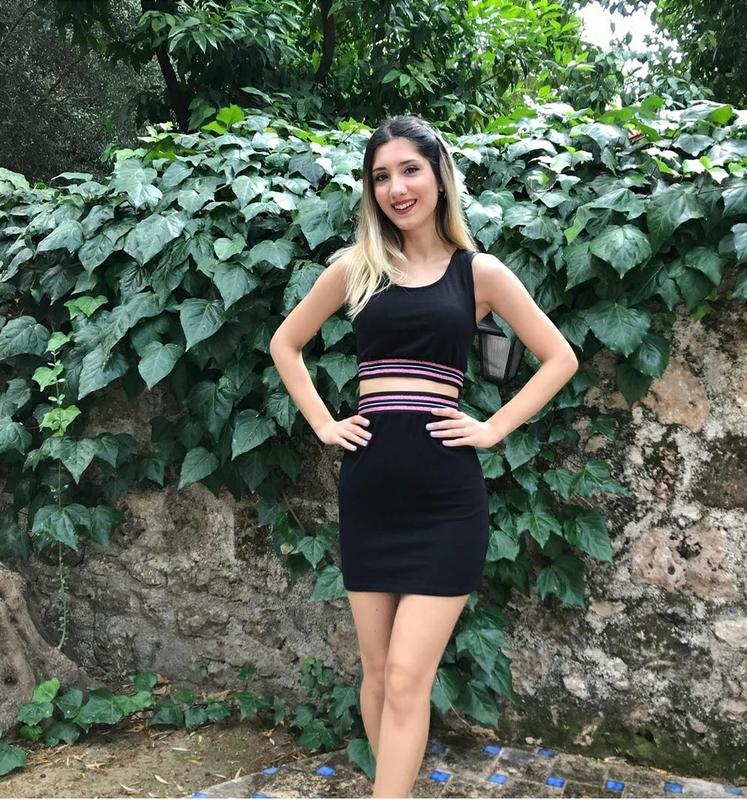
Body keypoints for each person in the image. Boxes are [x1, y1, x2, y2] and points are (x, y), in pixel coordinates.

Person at [269, 114, 578, 798]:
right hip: (370, 493)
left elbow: (560, 358)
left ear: (438, 176)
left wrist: (493, 428)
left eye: (409, 170)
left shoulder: (479, 273)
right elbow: (285, 344)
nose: (396, 188)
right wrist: (323, 422)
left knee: (409, 677)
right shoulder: (356, 268)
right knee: (379, 675)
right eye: (381, 176)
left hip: (445, 501)